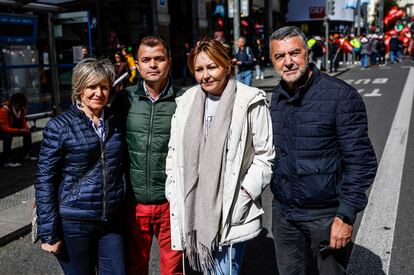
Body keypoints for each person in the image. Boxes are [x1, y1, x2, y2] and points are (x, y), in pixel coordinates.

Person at [269, 26, 377, 275]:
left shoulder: (341, 96)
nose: (288, 62)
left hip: (326, 217)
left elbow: (361, 162)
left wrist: (346, 215)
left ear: (308, 54)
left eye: (294, 53)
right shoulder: (277, 96)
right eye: (279, 56)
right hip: (284, 216)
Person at [166, 38, 274, 275]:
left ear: (226, 65)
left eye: (212, 67)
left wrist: (245, 194)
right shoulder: (186, 102)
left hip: (232, 205)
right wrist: (172, 187)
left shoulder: (250, 100)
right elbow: (174, 153)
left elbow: (265, 156)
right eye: (199, 69)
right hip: (193, 206)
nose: (206, 75)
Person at [35, 58, 126, 274]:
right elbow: (44, 179)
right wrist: (49, 232)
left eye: (104, 87)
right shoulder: (59, 126)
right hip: (74, 222)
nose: (99, 93)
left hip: (110, 221)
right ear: (79, 89)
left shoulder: (115, 120)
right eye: (91, 86)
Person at [111, 35, 184, 275]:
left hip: (170, 203)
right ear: (138, 65)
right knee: (135, 267)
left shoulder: (184, 100)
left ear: (169, 62)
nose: (153, 65)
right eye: (146, 60)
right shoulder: (125, 99)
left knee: (173, 270)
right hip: (135, 203)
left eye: (159, 59)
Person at [0, 93, 36, 168]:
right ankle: (7, 161)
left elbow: (23, 122)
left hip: (11, 129)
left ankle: (27, 154)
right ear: (13, 103)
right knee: (8, 136)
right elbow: (4, 128)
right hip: (2, 131)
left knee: (27, 132)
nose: (21, 108)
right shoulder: (4, 110)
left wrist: (26, 128)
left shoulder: (21, 110)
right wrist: (19, 130)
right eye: (20, 106)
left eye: (22, 106)